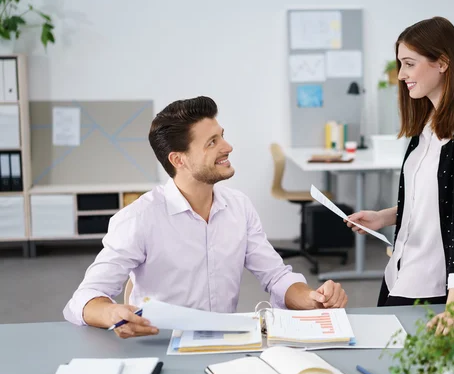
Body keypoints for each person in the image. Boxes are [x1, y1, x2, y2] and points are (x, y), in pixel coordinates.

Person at [64, 96, 348, 338]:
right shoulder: (140, 218)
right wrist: (113, 312)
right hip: (161, 346)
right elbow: (83, 300)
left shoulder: (239, 207)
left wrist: (311, 298)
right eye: (212, 142)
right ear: (179, 160)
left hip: (222, 345)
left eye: (222, 135)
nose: (227, 147)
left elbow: (276, 277)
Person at [346, 17, 454, 334]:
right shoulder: (427, 125)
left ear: (442, 62)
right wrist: (384, 217)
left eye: (409, 64)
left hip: (435, 287)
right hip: (400, 274)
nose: (401, 75)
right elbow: (429, 201)